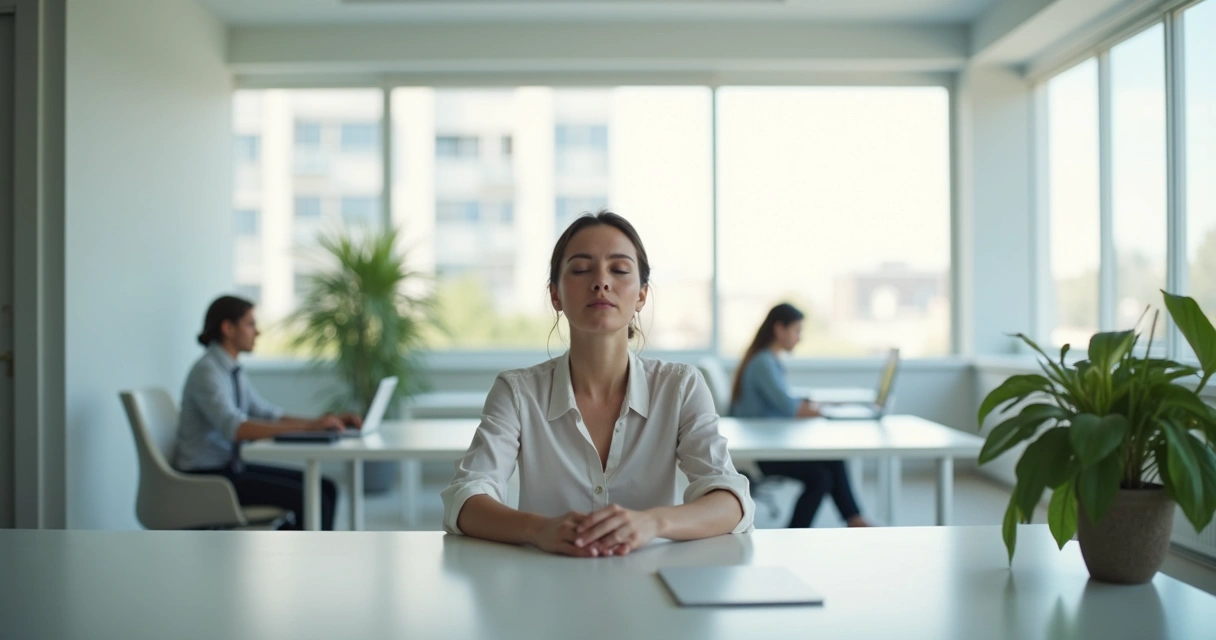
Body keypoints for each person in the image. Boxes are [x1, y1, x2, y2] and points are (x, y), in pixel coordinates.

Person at [441, 211, 754, 557]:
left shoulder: (680, 387)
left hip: (653, 590)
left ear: (641, 296)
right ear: (555, 295)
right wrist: (539, 529)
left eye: (619, 270)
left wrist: (652, 523)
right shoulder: (518, 392)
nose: (601, 282)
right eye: (580, 270)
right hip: (542, 587)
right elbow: (465, 499)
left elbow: (731, 500)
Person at [174, 295, 363, 530]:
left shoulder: (231, 369)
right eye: (251, 324)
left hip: (229, 467)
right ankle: (297, 561)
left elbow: (265, 412)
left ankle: (307, 557)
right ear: (228, 328)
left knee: (326, 487)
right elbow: (236, 428)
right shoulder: (207, 371)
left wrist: (320, 422)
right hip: (207, 477)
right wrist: (308, 428)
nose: (258, 332)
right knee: (309, 497)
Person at [730, 303, 871, 529]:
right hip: (759, 451)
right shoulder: (764, 362)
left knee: (833, 457)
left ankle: (854, 519)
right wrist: (824, 411)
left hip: (768, 440)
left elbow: (785, 402)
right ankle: (800, 531)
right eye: (797, 331)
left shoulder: (767, 360)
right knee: (820, 478)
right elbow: (790, 408)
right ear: (779, 329)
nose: (799, 338)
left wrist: (812, 405)